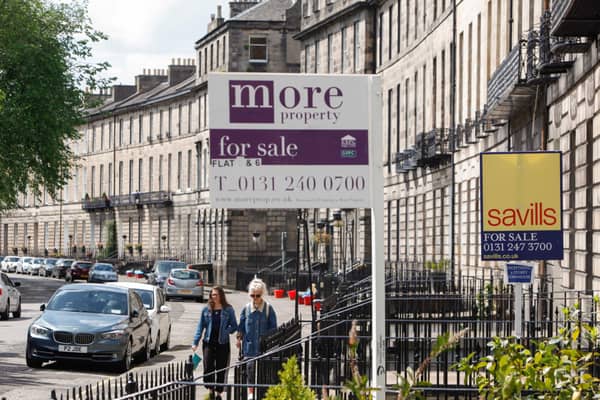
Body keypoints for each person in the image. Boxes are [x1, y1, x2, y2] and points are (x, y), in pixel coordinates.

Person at [192, 287, 238, 400]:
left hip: (223, 343)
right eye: (212, 295)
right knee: (208, 367)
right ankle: (210, 389)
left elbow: (234, 325)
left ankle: (219, 393)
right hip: (208, 342)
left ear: (221, 295)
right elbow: (200, 326)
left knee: (221, 367)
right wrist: (195, 342)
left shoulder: (228, 309)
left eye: (216, 295)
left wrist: (226, 331)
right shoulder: (206, 309)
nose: (214, 297)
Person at [236, 278, 277, 395]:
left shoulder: (268, 309)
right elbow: (241, 327)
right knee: (250, 371)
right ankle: (250, 394)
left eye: (257, 295)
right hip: (249, 347)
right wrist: (239, 339)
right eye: (252, 295)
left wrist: (269, 341)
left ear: (262, 294)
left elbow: (273, 328)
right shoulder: (246, 309)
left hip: (264, 347)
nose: (255, 298)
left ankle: (262, 394)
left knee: (263, 373)